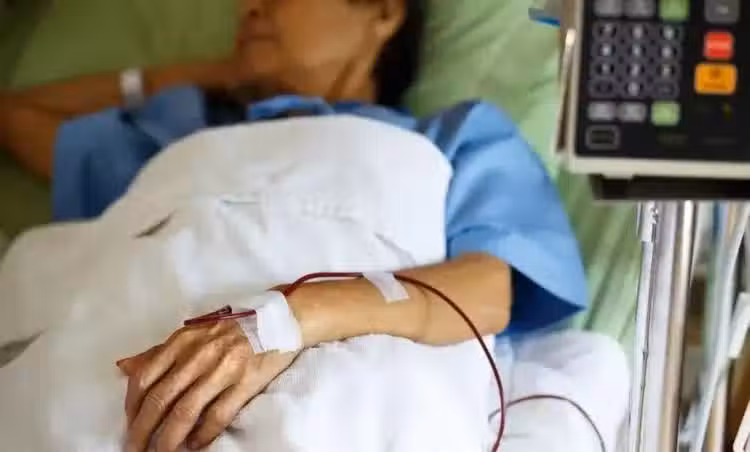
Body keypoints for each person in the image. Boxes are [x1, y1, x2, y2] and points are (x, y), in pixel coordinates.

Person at [0, 1, 618, 451]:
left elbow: (487, 290)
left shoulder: (457, 138)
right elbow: (17, 113)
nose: (250, 8)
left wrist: (282, 322)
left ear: (383, 12)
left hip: (339, 367)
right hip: (121, 366)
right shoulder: (179, 133)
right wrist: (217, 72)